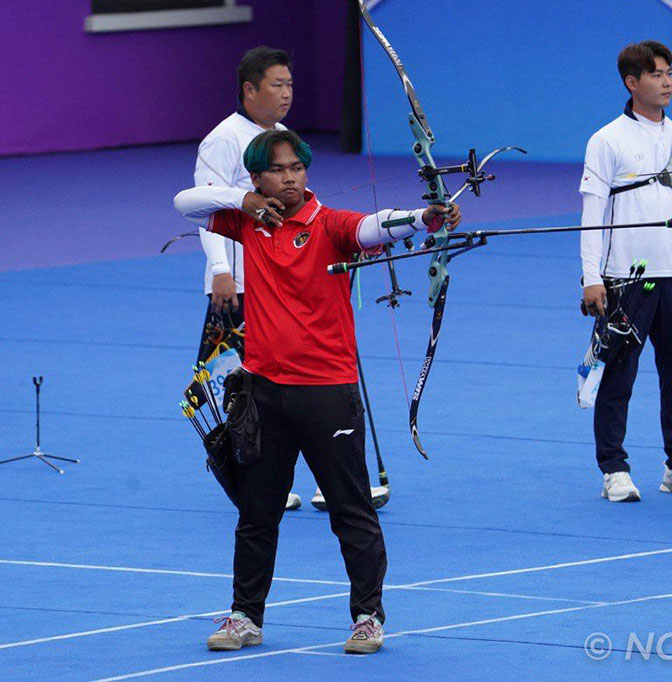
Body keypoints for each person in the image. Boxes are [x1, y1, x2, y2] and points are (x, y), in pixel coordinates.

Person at [174, 129, 461, 653]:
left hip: (327, 392)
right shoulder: (247, 222)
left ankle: (367, 617)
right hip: (263, 392)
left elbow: (373, 226)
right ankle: (245, 616)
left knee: (351, 509)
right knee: (256, 513)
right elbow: (184, 203)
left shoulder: (329, 224)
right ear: (256, 178)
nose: (290, 178)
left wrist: (424, 218)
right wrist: (245, 202)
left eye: (297, 168)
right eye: (277, 170)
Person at [579, 40, 672, 503]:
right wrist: (591, 277)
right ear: (632, 82)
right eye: (656, 74)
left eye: (670, 73)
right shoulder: (607, 139)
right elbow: (592, 212)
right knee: (618, 374)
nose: (667, 82)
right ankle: (613, 468)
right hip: (626, 277)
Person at [194, 46, 303, 510]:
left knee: (292, 380)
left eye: (290, 84)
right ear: (249, 89)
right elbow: (205, 207)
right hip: (236, 284)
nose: (287, 93)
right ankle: (248, 481)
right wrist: (221, 271)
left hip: (282, 279)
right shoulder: (223, 139)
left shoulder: (283, 138)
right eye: (277, 85)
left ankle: (306, 471)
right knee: (235, 387)